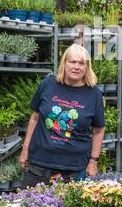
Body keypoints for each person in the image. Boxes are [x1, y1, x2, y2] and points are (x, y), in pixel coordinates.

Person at [18, 43, 105, 187]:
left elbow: (98, 130)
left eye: (81, 63)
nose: (77, 67)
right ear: (64, 63)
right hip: (38, 165)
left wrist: (93, 161)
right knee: (30, 206)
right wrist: (25, 149)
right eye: (72, 62)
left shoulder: (93, 93)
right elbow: (34, 118)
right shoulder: (47, 84)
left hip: (73, 169)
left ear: (86, 68)